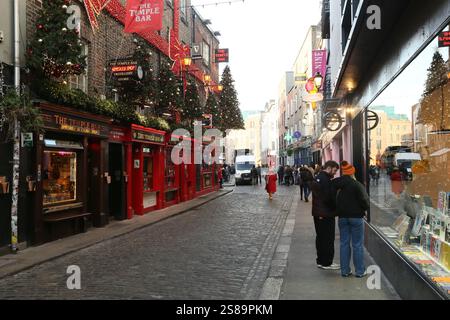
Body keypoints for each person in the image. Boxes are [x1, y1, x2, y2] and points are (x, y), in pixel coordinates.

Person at [333, 161, 370, 278]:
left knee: (344, 243)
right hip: (356, 217)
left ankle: (345, 271)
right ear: (352, 173)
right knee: (357, 244)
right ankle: (359, 271)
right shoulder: (357, 185)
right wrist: (364, 209)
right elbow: (365, 201)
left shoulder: (337, 184)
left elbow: (331, 198)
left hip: (342, 217)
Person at [309, 160, 340, 270]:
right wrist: (336, 208)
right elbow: (328, 198)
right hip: (326, 214)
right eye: (334, 170)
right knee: (328, 238)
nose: (335, 173)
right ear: (329, 168)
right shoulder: (326, 180)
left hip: (318, 213)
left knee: (320, 237)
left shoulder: (318, 177)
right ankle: (327, 262)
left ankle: (321, 261)